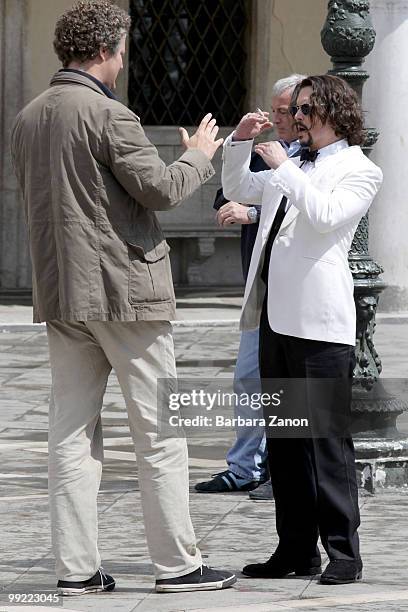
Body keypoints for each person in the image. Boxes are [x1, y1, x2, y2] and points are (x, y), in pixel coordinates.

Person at [10, 0, 236, 596]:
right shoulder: (111, 115)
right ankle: (179, 566)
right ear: (112, 50)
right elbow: (160, 191)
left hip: (62, 293)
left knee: (71, 433)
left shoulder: (29, 116)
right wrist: (200, 157)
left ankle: (76, 570)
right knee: (161, 431)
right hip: (127, 293)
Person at [222, 75, 383, 585]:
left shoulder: (360, 170)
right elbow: (240, 189)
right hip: (276, 320)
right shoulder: (295, 163)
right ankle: (294, 550)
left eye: (306, 108)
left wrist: (286, 166)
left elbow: (324, 215)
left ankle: (344, 553)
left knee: (326, 443)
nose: (296, 117)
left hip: (320, 327)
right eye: (297, 108)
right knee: (285, 444)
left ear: (334, 112)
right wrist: (241, 142)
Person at [195, 75, 304, 497]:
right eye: (274, 109)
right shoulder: (262, 151)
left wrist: (254, 214)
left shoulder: (317, 157)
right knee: (248, 377)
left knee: (289, 383)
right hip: (259, 285)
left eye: (285, 110)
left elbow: (307, 207)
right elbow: (227, 194)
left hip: (297, 290)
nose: (277, 118)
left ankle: (283, 471)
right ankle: (244, 467)